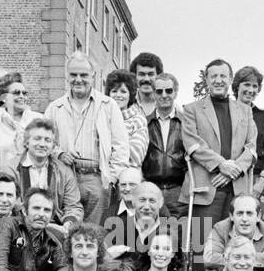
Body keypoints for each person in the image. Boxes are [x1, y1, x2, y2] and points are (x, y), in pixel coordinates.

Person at [44, 52, 129, 226]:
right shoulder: (54, 108)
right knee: (66, 230)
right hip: (65, 178)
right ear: (67, 76)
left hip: (96, 179)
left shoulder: (108, 105)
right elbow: (43, 141)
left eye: (83, 75)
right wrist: (59, 153)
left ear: (93, 76)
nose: (78, 79)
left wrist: (111, 179)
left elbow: (121, 146)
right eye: (73, 75)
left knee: (92, 234)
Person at [180, 58, 256, 233]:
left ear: (230, 80)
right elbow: (192, 144)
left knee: (236, 246)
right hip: (206, 190)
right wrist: (221, 165)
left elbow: (251, 147)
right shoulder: (192, 109)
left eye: (223, 76)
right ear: (206, 80)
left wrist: (232, 171)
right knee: (203, 247)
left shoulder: (245, 110)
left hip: (238, 191)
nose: (218, 80)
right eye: (213, 76)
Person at [8, 116, 84, 232]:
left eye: (47, 140)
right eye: (37, 139)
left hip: (56, 228)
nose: (42, 144)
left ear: (53, 146)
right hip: (20, 227)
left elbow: (73, 206)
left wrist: (68, 224)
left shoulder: (63, 170)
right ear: (26, 143)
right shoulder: (12, 168)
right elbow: (11, 204)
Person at [203, 192, 264, 271]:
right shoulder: (220, 228)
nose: (244, 219)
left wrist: (232, 257)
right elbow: (209, 258)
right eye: (240, 213)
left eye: (249, 213)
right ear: (231, 216)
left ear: (258, 216)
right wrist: (261, 257)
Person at [140, 72, 186, 213]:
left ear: (176, 93)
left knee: (176, 233)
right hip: (151, 190)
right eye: (159, 91)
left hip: (178, 192)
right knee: (151, 232)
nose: (164, 95)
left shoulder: (186, 123)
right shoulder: (143, 123)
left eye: (169, 90)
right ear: (154, 94)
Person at [232, 65, 264, 208]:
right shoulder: (226, 112)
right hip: (231, 177)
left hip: (257, 180)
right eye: (246, 85)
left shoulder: (263, 115)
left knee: (255, 224)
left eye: (255, 86)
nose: (251, 90)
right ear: (237, 86)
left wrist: (262, 182)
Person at [0, 72, 36, 175]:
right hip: (5, 186)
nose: (21, 96)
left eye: (24, 93)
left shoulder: (38, 120)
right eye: (16, 93)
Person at [104, 69, 148, 167]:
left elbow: (135, 156)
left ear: (130, 94)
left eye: (123, 91)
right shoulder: (101, 118)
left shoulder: (138, 121)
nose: (118, 95)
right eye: (114, 91)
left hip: (127, 177)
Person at [128, 51, 163, 118]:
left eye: (151, 74)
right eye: (141, 74)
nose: (146, 79)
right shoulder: (125, 104)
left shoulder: (172, 108)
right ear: (134, 76)